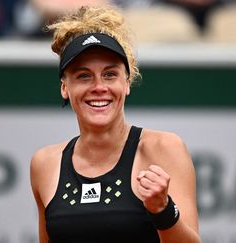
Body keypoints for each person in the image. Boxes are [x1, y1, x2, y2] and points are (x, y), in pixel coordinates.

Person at [30, 5, 200, 243]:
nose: (99, 87)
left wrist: (163, 211)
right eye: (83, 76)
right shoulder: (44, 164)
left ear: (127, 83)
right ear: (64, 87)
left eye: (110, 74)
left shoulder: (164, 148)